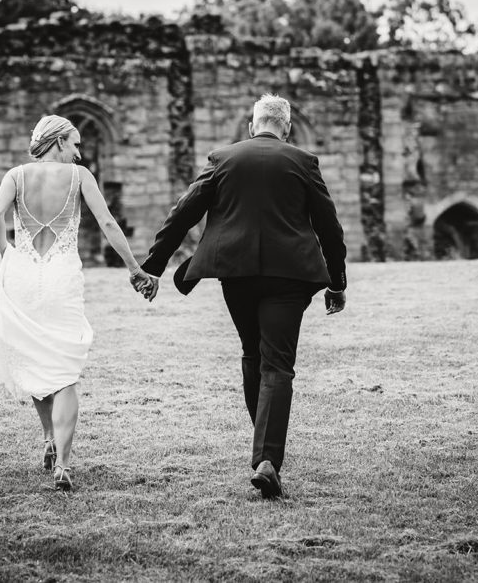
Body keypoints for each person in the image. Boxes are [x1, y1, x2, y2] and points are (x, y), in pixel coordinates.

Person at [137, 94, 346, 499]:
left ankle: (264, 449)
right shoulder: (303, 162)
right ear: (286, 128)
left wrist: (154, 266)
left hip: (236, 275)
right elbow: (329, 226)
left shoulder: (223, 158)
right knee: (278, 364)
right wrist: (337, 282)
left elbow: (184, 212)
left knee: (254, 354)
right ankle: (267, 458)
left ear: (252, 127)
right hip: (289, 277)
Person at [0, 115, 155, 492]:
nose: (78, 151)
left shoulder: (16, 176)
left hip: (22, 274)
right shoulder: (79, 177)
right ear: (57, 143)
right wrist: (135, 268)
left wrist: (7, 250)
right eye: (74, 144)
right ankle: (64, 466)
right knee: (65, 370)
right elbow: (107, 223)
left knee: (35, 356)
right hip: (61, 276)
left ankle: (49, 439)